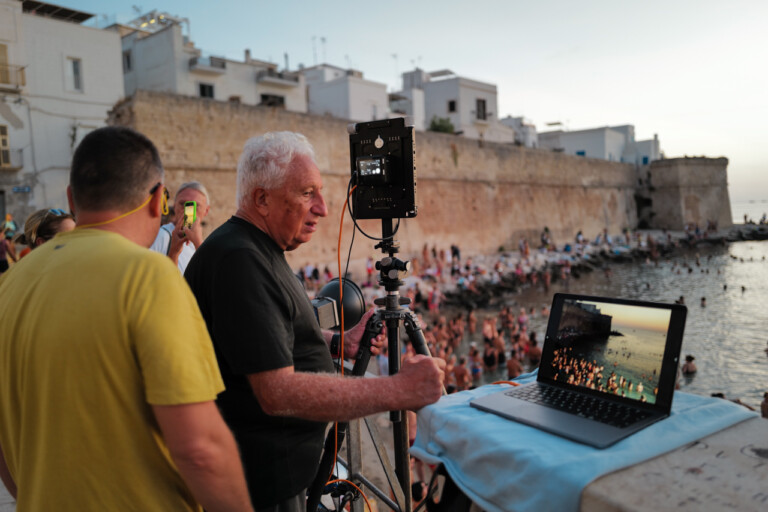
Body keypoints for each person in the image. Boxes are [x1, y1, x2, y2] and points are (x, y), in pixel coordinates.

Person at [184, 131, 445, 511]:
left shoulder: (252, 248)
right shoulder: (238, 260)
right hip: (259, 489)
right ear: (261, 198)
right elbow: (277, 392)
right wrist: (400, 390)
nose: (323, 208)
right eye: (308, 193)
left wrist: (339, 342)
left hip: (271, 478)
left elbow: (266, 336)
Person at [0, 126, 252, 511]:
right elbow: (200, 449)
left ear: (72, 198)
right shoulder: (150, 277)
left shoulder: (9, 284)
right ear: (158, 201)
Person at [150, 181, 211, 273]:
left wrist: (198, 242)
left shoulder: (203, 244)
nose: (188, 210)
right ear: (175, 207)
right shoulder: (161, 236)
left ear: (206, 210)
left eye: (195, 205)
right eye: (183, 204)